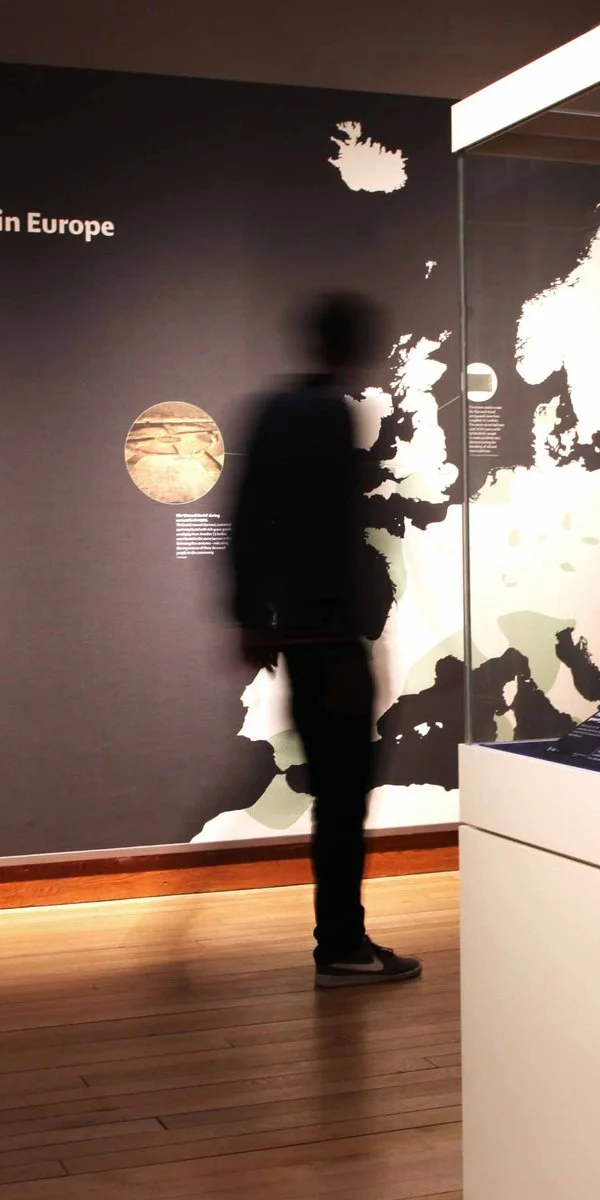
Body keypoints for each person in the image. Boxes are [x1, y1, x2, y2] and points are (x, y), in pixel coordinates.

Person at [229, 293, 422, 988]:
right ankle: (341, 943)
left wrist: (252, 616)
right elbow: (304, 532)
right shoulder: (321, 415)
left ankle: (341, 938)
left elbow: (250, 519)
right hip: (328, 635)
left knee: (340, 791)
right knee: (345, 792)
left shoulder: (280, 410)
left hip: (312, 632)